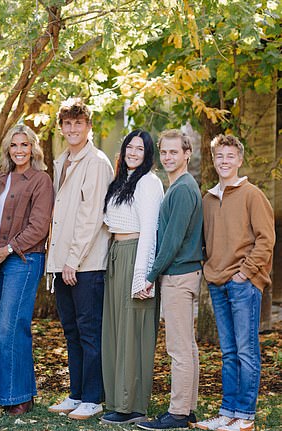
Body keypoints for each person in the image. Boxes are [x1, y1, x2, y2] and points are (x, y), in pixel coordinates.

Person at [196, 135, 275, 431]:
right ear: (214, 160)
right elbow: (204, 240)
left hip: (243, 284)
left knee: (246, 351)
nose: (224, 161)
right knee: (228, 352)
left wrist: (246, 272)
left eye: (230, 156)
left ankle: (245, 416)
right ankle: (227, 411)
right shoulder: (208, 198)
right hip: (217, 282)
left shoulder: (252, 194)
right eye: (220, 156)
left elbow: (266, 239)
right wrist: (208, 267)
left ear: (239, 160)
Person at [46, 99, 113, 420]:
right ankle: (76, 394)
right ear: (61, 127)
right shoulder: (64, 161)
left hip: (86, 264)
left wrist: (72, 260)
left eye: (78, 123)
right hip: (63, 264)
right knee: (71, 331)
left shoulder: (96, 163)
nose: (72, 129)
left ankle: (93, 397)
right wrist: (58, 263)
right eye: (67, 124)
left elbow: (92, 217)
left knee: (89, 332)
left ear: (88, 126)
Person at [137, 129, 203, 430]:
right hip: (182, 274)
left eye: (174, 152)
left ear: (187, 153)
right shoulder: (178, 185)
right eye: (163, 152)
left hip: (179, 275)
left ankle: (177, 413)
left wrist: (150, 275)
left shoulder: (183, 189)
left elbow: (172, 240)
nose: (167, 157)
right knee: (186, 347)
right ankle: (187, 409)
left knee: (178, 348)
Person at [0, 125, 53, 415]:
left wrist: (7, 250)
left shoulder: (40, 180)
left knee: (10, 327)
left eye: (24, 145)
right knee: (5, 329)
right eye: (14, 145)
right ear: (7, 150)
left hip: (25, 259)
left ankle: (15, 400)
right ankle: (22, 393)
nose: (19, 150)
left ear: (33, 148)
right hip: (2, 259)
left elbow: (39, 227)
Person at [100, 130, 164, 425]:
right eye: (130, 146)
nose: (134, 152)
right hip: (117, 253)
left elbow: (150, 230)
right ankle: (116, 399)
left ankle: (132, 406)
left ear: (147, 153)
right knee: (115, 329)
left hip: (135, 254)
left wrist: (144, 277)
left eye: (140, 148)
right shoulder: (121, 180)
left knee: (132, 332)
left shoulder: (149, 182)